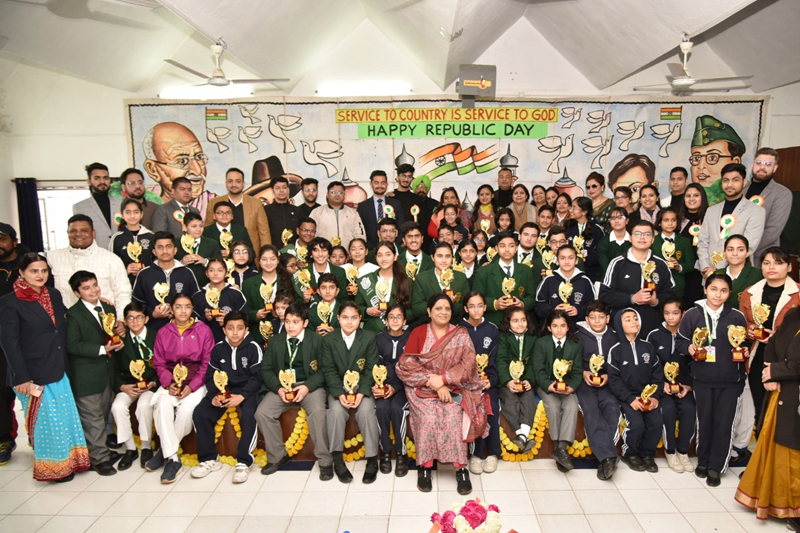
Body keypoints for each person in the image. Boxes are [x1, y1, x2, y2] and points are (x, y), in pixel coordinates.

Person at [0, 253, 91, 482]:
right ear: (21, 273)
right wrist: (21, 377)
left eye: (43, 271)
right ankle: (54, 469)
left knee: (65, 419)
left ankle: (72, 463)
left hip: (58, 367)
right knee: (46, 423)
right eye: (33, 271)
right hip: (32, 374)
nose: (40, 275)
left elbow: (62, 326)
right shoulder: (9, 302)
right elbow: (9, 344)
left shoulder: (53, 294)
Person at [396, 294, 487, 495]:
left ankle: (460, 468)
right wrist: (434, 382)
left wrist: (444, 380)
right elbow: (406, 365)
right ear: (429, 312)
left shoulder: (460, 334)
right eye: (438, 308)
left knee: (453, 417)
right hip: (424, 388)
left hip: (454, 387)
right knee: (428, 418)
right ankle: (425, 467)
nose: (443, 312)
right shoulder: (418, 332)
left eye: (447, 308)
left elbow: (469, 364)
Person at [676, 273, 748, 487]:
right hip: (702, 378)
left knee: (724, 424)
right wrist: (688, 347)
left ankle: (717, 467)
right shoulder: (692, 314)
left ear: (729, 293)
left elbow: (743, 345)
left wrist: (742, 351)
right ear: (705, 290)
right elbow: (680, 340)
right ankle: (704, 461)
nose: (718, 294)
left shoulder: (736, 316)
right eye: (714, 289)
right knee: (705, 421)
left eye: (724, 290)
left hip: (730, 381)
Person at [734, 306, 800, 524]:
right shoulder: (794, 315)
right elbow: (772, 343)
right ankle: (778, 502)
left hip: (793, 391)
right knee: (780, 450)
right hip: (782, 394)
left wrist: (778, 372)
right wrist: (770, 373)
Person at [255, 302, 333, 479]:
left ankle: (325, 461)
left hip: (309, 386)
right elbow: (266, 370)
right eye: (288, 321)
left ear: (305, 323)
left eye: (295, 322)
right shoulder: (275, 341)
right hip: (282, 386)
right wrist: (278, 388)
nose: (290, 326)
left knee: (318, 412)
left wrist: (307, 387)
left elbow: (325, 370)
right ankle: (278, 456)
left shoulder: (317, 341)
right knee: (263, 412)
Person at [146, 293, 213, 484]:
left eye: (187, 306)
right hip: (171, 382)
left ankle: (164, 452)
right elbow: (158, 363)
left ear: (192, 309)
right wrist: (169, 383)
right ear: (171, 309)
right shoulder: (164, 332)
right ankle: (174, 459)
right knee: (162, 406)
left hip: (195, 382)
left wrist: (191, 387)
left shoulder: (203, 330)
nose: (183, 311)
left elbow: (207, 363)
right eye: (178, 307)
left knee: (187, 411)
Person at [191, 311, 262, 484]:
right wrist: (214, 395)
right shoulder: (218, 349)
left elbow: (258, 377)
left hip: (248, 391)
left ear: (246, 329)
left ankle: (244, 461)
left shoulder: (254, 348)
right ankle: (209, 459)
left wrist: (242, 396)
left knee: (250, 414)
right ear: (224, 330)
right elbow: (210, 376)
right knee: (200, 412)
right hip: (224, 390)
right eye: (230, 328)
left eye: (239, 328)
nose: (235, 333)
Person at [66, 270, 125, 476]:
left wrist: (119, 334)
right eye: (86, 288)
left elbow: (110, 332)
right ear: (77, 292)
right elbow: (73, 345)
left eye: (95, 285)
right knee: (92, 419)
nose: (93, 290)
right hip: (87, 375)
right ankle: (99, 459)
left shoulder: (107, 307)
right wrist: (102, 350)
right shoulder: (73, 314)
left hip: (106, 372)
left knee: (102, 414)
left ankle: (101, 452)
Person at [321, 301, 381, 484]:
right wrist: (339, 394)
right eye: (345, 317)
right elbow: (328, 370)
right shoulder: (329, 340)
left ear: (360, 319)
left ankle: (372, 459)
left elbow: (371, 368)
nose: (349, 322)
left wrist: (361, 393)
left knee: (366, 411)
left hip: (362, 386)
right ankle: (337, 459)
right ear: (338, 318)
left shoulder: (369, 337)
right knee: (336, 412)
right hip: (338, 386)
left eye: (354, 318)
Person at [740, 247, 799, 429]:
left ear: (789, 267)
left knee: (786, 410)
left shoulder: (797, 294)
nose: (771, 267)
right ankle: (760, 449)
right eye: (766, 263)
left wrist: (779, 337)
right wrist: (749, 330)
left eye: (778, 263)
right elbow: (743, 322)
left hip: (790, 361)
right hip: (759, 356)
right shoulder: (750, 293)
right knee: (760, 405)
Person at [607, 308, 663, 473]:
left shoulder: (648, 347)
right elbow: (614, 380)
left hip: (648, 397)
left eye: (635, 318)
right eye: (628, 319)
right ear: (619, 324)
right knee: (636, 424)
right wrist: (630, 399)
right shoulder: (615, 350)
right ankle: (629, 453)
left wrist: (655, 397)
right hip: (627, 398)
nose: (633, 322)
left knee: (656, 422)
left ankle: (647, 454)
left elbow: (658, 375)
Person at [599, 220, 676, 337]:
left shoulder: (661, 265)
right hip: (623, 330)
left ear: (653, 239)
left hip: (654, 327)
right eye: (638, 234)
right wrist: (632, 298)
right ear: (630, 238)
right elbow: (605, 296)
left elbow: (672, 295)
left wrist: (656, 301)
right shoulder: (617, 263)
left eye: (647, 234)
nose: (642, 238)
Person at [646, 297, 695, 474]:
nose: (670, 317)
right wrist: (661, 384)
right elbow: (650, 364)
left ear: (683, 314)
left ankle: (683, 452)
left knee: (689, 409)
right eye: (666, 313)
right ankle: (670, 451)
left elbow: (695, 363)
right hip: (663, 387)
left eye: (675, 313)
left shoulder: (691, 335)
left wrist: (688, 385)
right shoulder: (654, 335)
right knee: (667, 410)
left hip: (684, 387)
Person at [575, 300, 621, 481]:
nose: (597, 321)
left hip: (607, 381)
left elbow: (618, 363)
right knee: (591, 409)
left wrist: (609, 376)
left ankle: (605, 458)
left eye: (601, 317)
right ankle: (608, 457)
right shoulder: (578, 336)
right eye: (592, 317)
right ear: (586, 319)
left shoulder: (616, 337)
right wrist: (583, 373)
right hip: (585, 381)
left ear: (608, 318)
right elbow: (572, 361)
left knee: (611, 405)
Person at [48, 215, 132, 311]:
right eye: (73, 231)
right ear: (67, 233)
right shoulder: (52, 258)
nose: (78, 234)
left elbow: (123, 293)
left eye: (84, 230)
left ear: (93, 233)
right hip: (66, 321)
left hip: (104, 321)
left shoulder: (111, 259)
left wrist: (121, 320)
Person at [111, 301, 157, 470]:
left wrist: (154, 382)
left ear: (146, 319)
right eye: (130, 318)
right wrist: (122, 387)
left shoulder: (156, 335)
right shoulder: (119, 340)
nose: (135, 321)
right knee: (117, 407)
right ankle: (130, 448)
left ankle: (146, 446)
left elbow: (165, 363)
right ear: (125, 320)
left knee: (144, 405)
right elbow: (113, 368)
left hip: (151, 384)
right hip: (128, 384)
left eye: (139, 317)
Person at [535, 310, 583, 472]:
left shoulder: (575, 345)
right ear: (549, 328)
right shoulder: (541, 343)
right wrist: (549, 385)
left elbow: (577, 372)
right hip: (547, 386)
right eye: (555, 326)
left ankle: (561, 448)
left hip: (566, 386)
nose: (559, 329)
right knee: (553, 405)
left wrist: (571, 387)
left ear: (568, 327)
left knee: (571, 405)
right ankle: (558, 446)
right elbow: (538, 370)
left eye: (563, 326)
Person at [697, 163, 765, 276]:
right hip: (708, 275)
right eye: (725, 180)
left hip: (737, 276)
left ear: (744, 182)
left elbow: (748, 247)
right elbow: (703, 242)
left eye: (735, 180)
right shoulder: (711, 210)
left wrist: (719, 271)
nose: (729, 184)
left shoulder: (756, 211)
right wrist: (706, 267)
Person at [459, 292, 500, 476]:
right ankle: (475, 455)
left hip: (487, 381)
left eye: (480, 305)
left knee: (491, 406)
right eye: (472, 306)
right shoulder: (458, 328)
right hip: (465, 383)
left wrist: (490, 381)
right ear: (466, 309)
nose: (476, 310)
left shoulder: (492, 329)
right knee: (473, 408)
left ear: (485, 307)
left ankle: (492, 453)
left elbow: (497, 360)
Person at [132, 231, 200, 331]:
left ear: (175, 250)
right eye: (160, 247)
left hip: (184, 331)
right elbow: (136, 305)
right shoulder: (144, 274)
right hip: (153, 330)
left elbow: (196, 302)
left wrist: (180, 312)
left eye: (168, 246)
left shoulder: (186, 272)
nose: (164, 251)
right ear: (154, 251)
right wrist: (153, 313)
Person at [0, 223, 28, 464]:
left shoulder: (30, 263)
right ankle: (5, 438)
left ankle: (39, 438)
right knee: (2, 391)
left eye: (2, 239)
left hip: (28, 339)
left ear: (14, 241)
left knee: (32, 391)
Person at [142, 122, 214, 213]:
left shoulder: (214, 205)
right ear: (153, 170)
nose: (197, 170)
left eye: (199, 157)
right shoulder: (144, 206)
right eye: (182, 161)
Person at [374, 304, 411, 477]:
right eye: (391, 317)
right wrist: (381, 386)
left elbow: (411, 368)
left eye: (399, 317)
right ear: (386, 319)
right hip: (384, 386)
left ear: (404, 320)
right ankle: (386, 452)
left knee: (397, 409)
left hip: (404, 387)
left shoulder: (411, 338)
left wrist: (395, 388)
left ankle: (402, 453)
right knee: (381, 408)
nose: (395, 320)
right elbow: (376, 367)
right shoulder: (379, 339)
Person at [496, 307, 537, 452]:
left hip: (524, 379)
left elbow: (533, 362)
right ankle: (522, 435)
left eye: (523, 320)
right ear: (508, 323)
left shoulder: (532, 338)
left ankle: (522, 436)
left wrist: (529, 380)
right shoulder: (503, 337)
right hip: (507, 382)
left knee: (528, 399)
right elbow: (501, 360)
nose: (520, 324)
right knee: (510, 400)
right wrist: (508, 381)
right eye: (515, 321)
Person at [474, 232, 536, 326]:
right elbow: (475, 299)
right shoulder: (483, 271)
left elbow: (532, 297)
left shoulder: (526, 270)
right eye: (502, 246)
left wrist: (522, 303)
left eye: (511, 246)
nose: (507, 250)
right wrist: (495, 304)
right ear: (496, 248)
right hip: (493, 323)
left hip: (519, 324)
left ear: (516, 248)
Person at [744, 148, 792, 267]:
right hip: (735, 256)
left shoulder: (782, 193)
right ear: (752, 164)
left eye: (768, 164)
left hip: (761, 257)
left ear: (775, 168)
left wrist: (743, 248)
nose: (762, 167)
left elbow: (773, 231)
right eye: (759, 163)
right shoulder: (742, 190)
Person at [204, 168, 271, 252]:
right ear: (226, 183)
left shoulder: (256, 203)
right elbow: (207, 231)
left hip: (249, 255)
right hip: (221, 257)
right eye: (230, 181)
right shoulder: (214, 202)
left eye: (238, 181)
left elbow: (264, 233)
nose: (234, 184)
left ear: (243, 184)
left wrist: (267, 254)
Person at [689, 115, 746, 205]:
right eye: (696, 158)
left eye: (712, 158)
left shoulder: (747, 196)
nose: (701, 166)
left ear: (735, 162)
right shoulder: (688, 201)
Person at [356, 242, 411, 333]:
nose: (384, 259)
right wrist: (367, 311)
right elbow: (357, 307)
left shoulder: (405, 281)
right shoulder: (366, 280)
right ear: (376, 258)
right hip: (371, 333)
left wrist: (399, 316)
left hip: (397, 334)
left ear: (395, 257)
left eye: (388, 254)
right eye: (380, 255)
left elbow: (411, 309)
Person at [410, 242, 470, 324]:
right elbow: (417, 309)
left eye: (448, 256)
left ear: (452, 258)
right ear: (432, 257)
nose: (444, 260)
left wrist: (451, 305)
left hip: (455, 325)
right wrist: (439, 302)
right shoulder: (421, 278)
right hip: (429, 325)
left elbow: (467, 307)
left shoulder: (461, 277)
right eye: (440, 256)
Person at [535, 245, 596, 324]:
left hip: (578, 329)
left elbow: (593, 307)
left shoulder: (585, 281)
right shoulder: (548, 280)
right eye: (562, 258)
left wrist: (578, 310)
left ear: (576, 260)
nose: (567, 261)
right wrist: (553, 310)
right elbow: (538, 306)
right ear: (557, 261)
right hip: (554, 328)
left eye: (571, 258)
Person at [192, 258, 247, 342]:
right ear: (206, 273)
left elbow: (245, 319)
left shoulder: (235, 294)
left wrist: (227, 320)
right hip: (204, 343)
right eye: (211, 270)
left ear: (226, 273)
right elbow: (192, 324)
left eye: (220, 270)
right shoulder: (198, 296)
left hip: (230, 343)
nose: (215, 273)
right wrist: (205, 318)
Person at [243, 245, 291, 337]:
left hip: (284, 332)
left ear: (278, 261)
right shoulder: (248, 284)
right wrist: (255, 315)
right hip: (257, 333)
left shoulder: (288, 281)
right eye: (264, 259)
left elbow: (295, 306)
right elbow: (243, 311)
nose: (268, 263)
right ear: (259, 262)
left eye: (272, 259)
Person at [73, 162, 122, 249]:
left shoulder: (121, 203)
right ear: (89, 181)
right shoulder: (80, 207)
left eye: (105, 178)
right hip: (95, 255)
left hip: (120, 254)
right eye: (97, 178)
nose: (102, 181)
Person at [651, 207, 695, 299]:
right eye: (666, 220)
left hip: (678, 285)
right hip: (658, 285)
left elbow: (691, 264)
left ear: (677, 222)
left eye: (673, 220)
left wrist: (679, 266)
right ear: (659, 222)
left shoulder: (684, 241)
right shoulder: (652, 241)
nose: (670, 223)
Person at [109, 198, 154, 286]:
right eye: (128, 212)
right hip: (124, 285)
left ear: (141, 214)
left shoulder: (151, 236)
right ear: (122, 215)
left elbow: (157, 261)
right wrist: (126, 270)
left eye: (136, 212)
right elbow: (111, 264)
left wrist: (147, 270)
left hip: (148, 284)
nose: (132, 216)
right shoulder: (117, 238)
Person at [678, 183, 709, 308]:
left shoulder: (709, 218)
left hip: (700, 271)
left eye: (696, 195)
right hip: (681, 270)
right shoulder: (678, 219)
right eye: (688, 196)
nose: (691, 199)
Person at [310, 181, 366, 249]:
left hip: (348, 256)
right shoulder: (317, 212)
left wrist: (353, 252)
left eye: (340, 192)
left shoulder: (353, 213)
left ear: (344, 195)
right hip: (323, 255)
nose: (337, 195)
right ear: (327, 194)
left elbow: (360, 235)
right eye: (333, 192)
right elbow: (311, 235)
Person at [357, 170, 405, 250]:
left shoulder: (396, 204)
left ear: (387, 184)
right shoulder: (363, 206)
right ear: (371, 184)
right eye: (376, 182)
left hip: (392, 249)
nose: (380, 185)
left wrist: (394, 246)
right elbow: (360, 231)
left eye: (383, 183)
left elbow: (401, 227)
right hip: (370, 250)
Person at [292, 237, 348, 304]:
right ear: (311, 254)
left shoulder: (339, 271)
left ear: (329, 254)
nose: (320, 254)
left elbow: (343, 298)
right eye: (316, 250)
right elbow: (296, 299)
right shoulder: (302, 273)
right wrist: (305, 300)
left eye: (324, 250)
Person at [175, 212, 221, 288]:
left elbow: (220, 264)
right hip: (181, 285)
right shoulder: (175, 243)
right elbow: (168, 264)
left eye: (201, 226)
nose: (198, 229)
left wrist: (205, 261)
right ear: (185, 227)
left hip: (206, 286)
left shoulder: (212, 243)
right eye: (194, 226)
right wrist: (181, 263)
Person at [716, 235, 763, 308]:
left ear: (747, 253)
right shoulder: (717, 274)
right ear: (724, 252)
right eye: (730, 249)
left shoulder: (758, 275)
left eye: (740, 250)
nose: (735, 254)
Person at [566, 196, 604, 281]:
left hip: (591, 274)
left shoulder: (597, 229)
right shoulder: (567, 227)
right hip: (570, 272)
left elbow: (600, 254)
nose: (571, 210)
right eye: (571, 207)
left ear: (584, 212)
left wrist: (586, 259)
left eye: (574, 207)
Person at [263, 176, 301, 248]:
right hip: (273, 251)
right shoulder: (265, 210)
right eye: (277, 188)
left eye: (284, 187)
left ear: (288, 190)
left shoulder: (297, 210)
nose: (281, 190)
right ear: (272, 191)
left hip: (294, 251)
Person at [597, 207, 631, 272]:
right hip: (608, 278)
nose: (616, 221)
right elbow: (605, 267)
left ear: (627, 221)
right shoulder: (603, 242)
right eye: (612, 218)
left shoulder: (633, 240)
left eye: (620, 218)